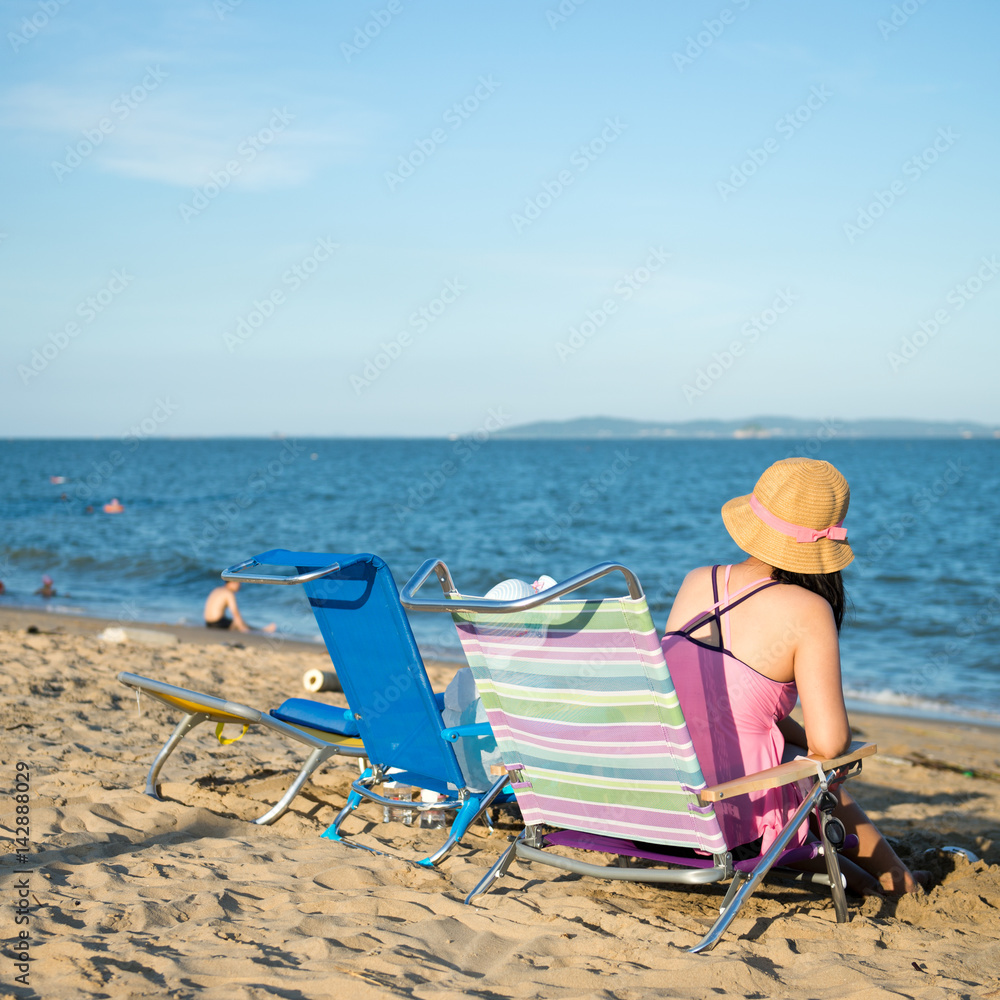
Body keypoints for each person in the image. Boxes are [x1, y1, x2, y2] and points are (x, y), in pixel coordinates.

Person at [662, 457, 926, 896]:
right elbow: (832, 745)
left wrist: (794, 738)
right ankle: (900, 882)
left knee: (795, 755)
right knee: (819, 772)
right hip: (729, 831)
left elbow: (715, 703)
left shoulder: (697, 582)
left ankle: (892, 876)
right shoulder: (809, 610)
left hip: (659, 816)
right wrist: (813, 747)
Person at [203, 580, 276, 633]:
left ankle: (260, 630)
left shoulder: (217, 589)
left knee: (234, 621)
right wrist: (243, 628)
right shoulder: (228, 593)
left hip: (208, 623)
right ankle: (261, 631)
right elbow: (235, 613)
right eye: (238, 583)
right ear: (231, 582)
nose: (240, 585)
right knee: (237, 622)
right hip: (218, 624)